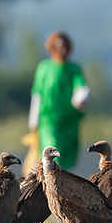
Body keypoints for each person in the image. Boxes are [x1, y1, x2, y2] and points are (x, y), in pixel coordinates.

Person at [26, 31, 90, 171]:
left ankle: (62, 186)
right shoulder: (44, 68)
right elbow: (37, 95)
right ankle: (50, 184)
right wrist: (33, 121)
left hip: (69, 122)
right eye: (58, 46)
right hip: (48, 121)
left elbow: (81, 88)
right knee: (53, 150)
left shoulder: (74, 68)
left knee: (66, 159)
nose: (62, 50)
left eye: (64, 46)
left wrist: (80, 99)